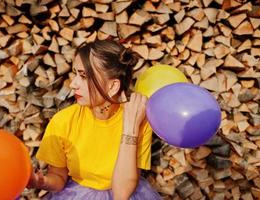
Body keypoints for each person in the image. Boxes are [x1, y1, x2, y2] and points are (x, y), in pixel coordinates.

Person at [28, 39, 161, 200]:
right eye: (75, 74)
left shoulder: (138, 120)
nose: (73, 84)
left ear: (112, 86)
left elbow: (122, 194)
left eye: (84, 76)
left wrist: (129, 127)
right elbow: (58, 177)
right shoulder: (63, 121)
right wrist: (40, 181)